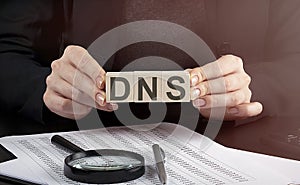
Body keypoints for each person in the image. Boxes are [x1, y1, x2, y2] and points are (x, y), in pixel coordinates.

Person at [0, 0, 263, 135]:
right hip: (80, 143)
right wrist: (46, 87)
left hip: (226, 147)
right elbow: (6, 50)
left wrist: (243, 88)